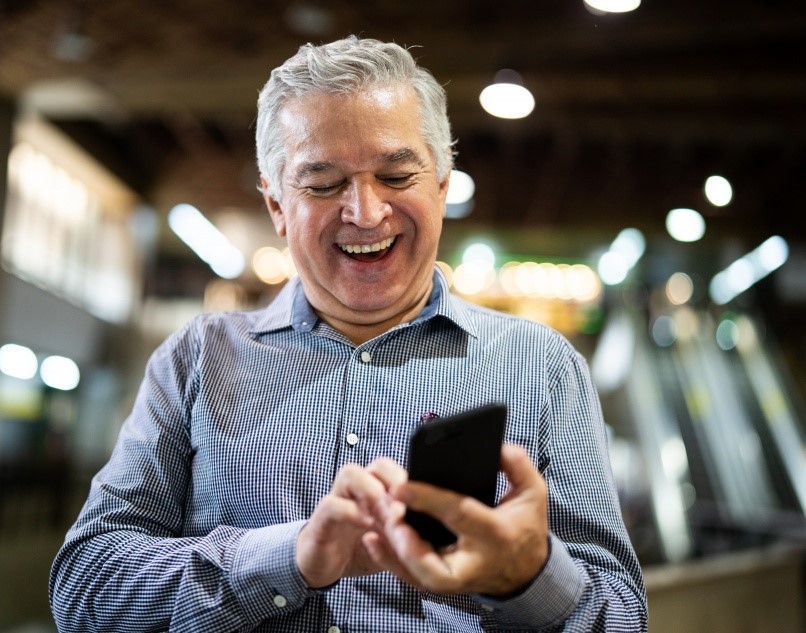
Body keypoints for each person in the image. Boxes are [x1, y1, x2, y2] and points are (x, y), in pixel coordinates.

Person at [49, 36, 648, 632]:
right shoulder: (198, 359)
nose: (365, 212)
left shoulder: (541, 367)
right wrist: (286, 559)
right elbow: (82, 589)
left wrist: (526, 577)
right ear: (277, 205)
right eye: (323, 184)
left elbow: (622, 616)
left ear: (441, 185)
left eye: (396, 174)